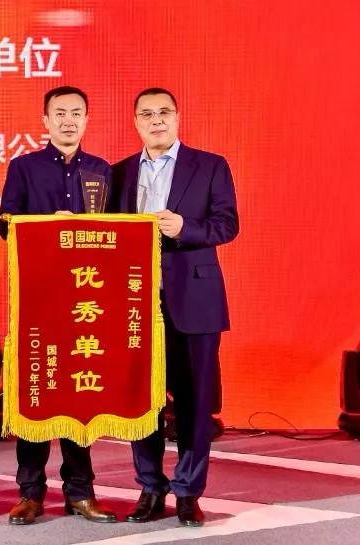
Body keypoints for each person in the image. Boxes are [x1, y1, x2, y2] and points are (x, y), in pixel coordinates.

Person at [110, 88, 239, 527]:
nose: (156, 120)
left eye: (164, 112)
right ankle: (150, 486)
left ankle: (188, 491)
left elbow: (228, 224)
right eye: (147, 114)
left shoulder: (210, 165)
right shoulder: (119, 173)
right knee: (141, 401)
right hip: (135, 302)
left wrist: (186, 227)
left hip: (195, 298)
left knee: (195, 402)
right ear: (136, 122)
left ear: (178, 117)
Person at [0, 86, 118, 526]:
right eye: (60, 113)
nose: (69, 120)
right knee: (36, 391)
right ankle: (29, 493)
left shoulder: (102, 170)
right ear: (45, 121)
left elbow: (118, 233)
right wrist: (48, 226)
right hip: (39, 296)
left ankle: (80, 492)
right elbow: (5, 223)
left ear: (87, 120)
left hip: (86, 299)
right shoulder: (24, 167)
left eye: (76, 113)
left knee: (78, 393)